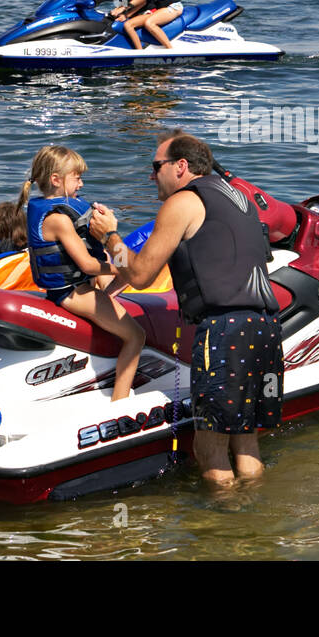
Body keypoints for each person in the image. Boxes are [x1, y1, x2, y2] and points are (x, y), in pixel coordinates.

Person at [90, 133, 283, 485]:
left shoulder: (183, 201)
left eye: (156, 167)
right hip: (266, 325)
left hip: (225, 332)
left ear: (180, 166)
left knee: (208, 451)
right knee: (246, 444)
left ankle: (218, 535)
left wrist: (110, 237)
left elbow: (140, 275)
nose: (152, 177)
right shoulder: (240, 197)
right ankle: (254, 528)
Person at [20, 145, 144, 402]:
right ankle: (119, 401)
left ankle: (112, 295)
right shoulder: (58, 220)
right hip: (72, 292)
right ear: (56, 180)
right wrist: (122, 265)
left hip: (77, 286)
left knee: (122, 267)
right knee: (136, 335)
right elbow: (88, 265)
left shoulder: (53, 210)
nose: (81, 183)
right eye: (76, 177)